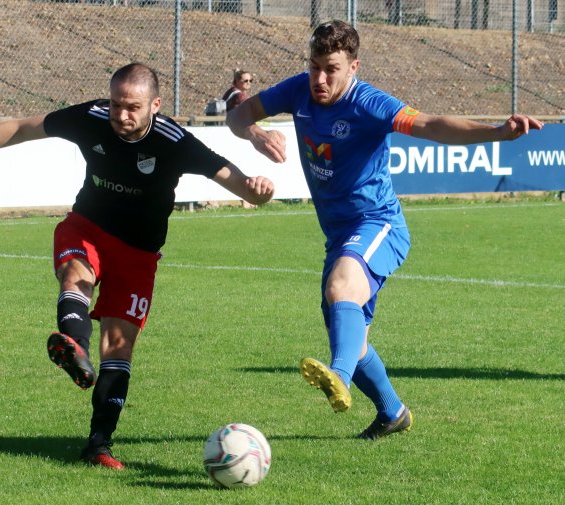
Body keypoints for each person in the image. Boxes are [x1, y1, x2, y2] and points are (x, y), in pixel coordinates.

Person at [226, 20, 543, 440]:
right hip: (339, 233)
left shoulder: (369, 103)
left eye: (332, 68)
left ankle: (335, 376)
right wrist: (255, 133)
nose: (320, 78)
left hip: (378, 223)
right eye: (314, 65)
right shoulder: (297, 89)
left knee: (341, 290)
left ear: (354, 66)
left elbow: (430, 125)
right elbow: (238, 115)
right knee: (351, 338)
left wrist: (498, 133)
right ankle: (392, 412)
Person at [0, 63, 274, 468]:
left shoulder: (175, 141)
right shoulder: (92, 117)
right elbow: (21, 128)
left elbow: (233, 178)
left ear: (155, 105)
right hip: (87, 227)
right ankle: (74, 347)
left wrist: (258, 191)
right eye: (117, 103)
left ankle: (98, 446)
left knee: (119, 347)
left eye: (133, 107)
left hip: (139, 254)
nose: (121, 114)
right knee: (76, 274)